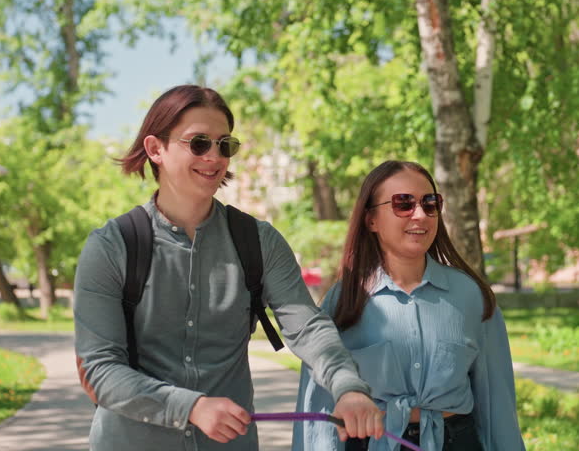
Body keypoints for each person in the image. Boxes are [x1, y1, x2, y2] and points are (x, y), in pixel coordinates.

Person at [74, 84, 383, 450]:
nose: (214, 157)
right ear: (155, 149)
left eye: (225, 145)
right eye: (198, 143)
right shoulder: (112, 246)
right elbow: (100, 370)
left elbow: (308, 327)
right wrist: (190, 407)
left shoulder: (259, 241)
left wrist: (347, 387)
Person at [293, 160, 526, 451]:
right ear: (371, 220)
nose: (420, 215)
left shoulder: (471, 295)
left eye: (430, 204)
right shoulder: (343, 301)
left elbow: (498, 405)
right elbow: (319, 411)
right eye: (403, 204)